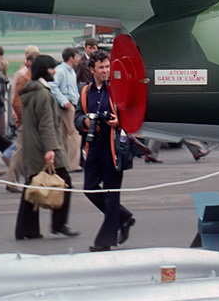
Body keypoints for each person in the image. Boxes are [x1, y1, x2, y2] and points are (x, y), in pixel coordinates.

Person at [13, 55, 78, 240]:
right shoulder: (43, 93)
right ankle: (59, 224)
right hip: (45, 146)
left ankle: (26, 230)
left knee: (31, 187)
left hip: (31, 147)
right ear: (44, 70)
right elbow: (46, 124)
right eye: (51, 68)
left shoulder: (30, 90)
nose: (54, 71)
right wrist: (51, 149)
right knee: (65, 182)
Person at [77, 50, 133, 251]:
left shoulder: (118, 89)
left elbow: (133, 113)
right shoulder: (85, 91)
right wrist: (84, 121)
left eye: (108, 67)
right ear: (92, 70)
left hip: (114, 147)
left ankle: (104, 242)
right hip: (94, 147)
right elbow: (78, 116)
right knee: (89, 189)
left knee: (111, 195)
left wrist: (120, 122)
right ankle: (123, 217)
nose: (105, 71)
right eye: (101, 67)